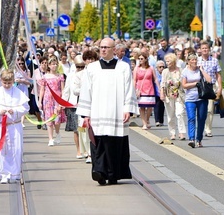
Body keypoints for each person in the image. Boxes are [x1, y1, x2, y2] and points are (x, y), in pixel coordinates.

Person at [76, 37, 138, 186]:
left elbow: (129, 89)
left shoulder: (123, 67)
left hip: (117, 113)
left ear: (113, 50)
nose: (103, 50)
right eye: (101, 47)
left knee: (115, 144)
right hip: (97, 113)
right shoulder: (92, 68)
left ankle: (114, 174)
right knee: (98, 143)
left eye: (107, 47)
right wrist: (86, 114)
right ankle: (99, 172)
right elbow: (86, 92)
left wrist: (127, 109)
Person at [0, 69, 29, 184]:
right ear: (1, 81)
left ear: (13, 81)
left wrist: (14, 110)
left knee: (16, 148)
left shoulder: (18, 93)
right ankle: (4, 173)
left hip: (15, 125)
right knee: (3, 149)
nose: (7, 85)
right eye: (5, 83)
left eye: (9, 83)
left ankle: (15, 173)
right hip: (1, 125)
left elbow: (25, 107)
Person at [181, 54, 211, 148]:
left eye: (196, 60)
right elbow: (184, 85)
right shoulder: (185, 71)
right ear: (188, 61)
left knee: (202, 119)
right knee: (191, 118)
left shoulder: (200, 70)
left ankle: (199, 139)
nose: (195, 61)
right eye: (193, 60)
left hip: (201, 98)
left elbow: (209, 80)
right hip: (190, 98)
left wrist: (202, 70)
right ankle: (191, 139)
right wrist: (195, 84)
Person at [38, 56, 66, 146]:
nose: (54, 66)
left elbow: (63, 89)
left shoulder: (60, 76)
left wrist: (63, 101)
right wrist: (40, 101)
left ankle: (57, 133)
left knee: (56, 119)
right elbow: (42, 89)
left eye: (56, 64)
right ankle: (50, 138)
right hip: (47, 99)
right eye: (52, 64)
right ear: (49, 66)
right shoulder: (45, 77)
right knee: (49, 119)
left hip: (57, 99)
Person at [198, 42, 222, 138]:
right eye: (203, 48)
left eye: (206, 48)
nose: (204, 50)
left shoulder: (214, 61)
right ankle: (200, 127)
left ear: (209, 49)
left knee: (210, 109)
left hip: (210, 87)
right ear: (200, 49)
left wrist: (220, 87)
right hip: (199, 87)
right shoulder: (197, 60)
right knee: (200, 109)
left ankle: (208, 129)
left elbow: (218, 75)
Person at [160, 53, 186, 141]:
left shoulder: (180, 70)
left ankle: (181, 132)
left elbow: (183, 82)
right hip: (169, 95)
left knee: (180, 113)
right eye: (166, 61)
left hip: (179, 95)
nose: (167, 63)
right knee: (170, 116)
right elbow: (162, 83)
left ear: (174, 61)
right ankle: (172, 133)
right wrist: (162, 94)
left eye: (169, 61)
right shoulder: (165, 71)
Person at [134, 54, 158, 130]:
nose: (140, 60)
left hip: (149, 88)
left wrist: (159, 87)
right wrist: (133, 89)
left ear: (145, 59)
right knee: (142, 107)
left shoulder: (151, 68)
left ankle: (147, 119)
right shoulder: (136, 68)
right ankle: (144, 123)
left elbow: (155, 78)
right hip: (140, 89)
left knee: (150, 107)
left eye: (142, 58)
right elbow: (134, 79)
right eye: (139, 59)